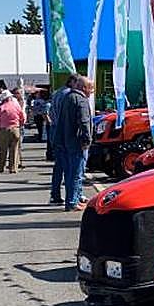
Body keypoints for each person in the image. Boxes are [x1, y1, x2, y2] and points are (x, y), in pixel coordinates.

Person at [58, 76, 94, 210]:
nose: (92, 92)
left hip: (67, 140)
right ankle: (72, 202)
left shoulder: (68, 97)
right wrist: (87, 140)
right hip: (78, 142)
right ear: (84, 88)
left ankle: (75, 198)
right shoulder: (81, 100)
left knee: (71, 172)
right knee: (77, 173)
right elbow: (84, 122)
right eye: (91, 88)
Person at [48, 74, 79, 203]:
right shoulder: (69, 95)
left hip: (55, 130)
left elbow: (51, 112)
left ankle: (55, 194)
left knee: (59, 165)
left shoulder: (57, 93)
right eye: (78, 83)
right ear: (72, 82)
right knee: (69, 166)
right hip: (64, 131)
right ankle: (71, 197)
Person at [0, 89, 26, 173]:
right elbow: (23, 118)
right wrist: (20, 125)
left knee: (3, 150)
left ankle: (0, 167)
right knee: (14, 150)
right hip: (15, 128)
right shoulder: (16, 106)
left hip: (3, 130)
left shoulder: (1, 107)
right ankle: (13, 168)